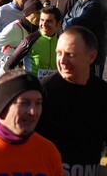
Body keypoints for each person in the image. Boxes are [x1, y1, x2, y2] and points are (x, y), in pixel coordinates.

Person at [35, 26, 107, 174]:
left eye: (70, 55)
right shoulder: (41, 91)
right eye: (59, 53)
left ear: (91, 57)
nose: (62, 61)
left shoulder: (102, 93)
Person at [0, 0, 43, 78]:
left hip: (27, 75)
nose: (40, 16)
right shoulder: (14, 28)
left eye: (41, 12)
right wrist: (9, 59)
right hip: (8, 75)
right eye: (37, 13)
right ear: (27, 14)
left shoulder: (39, 30)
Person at [63, 0, 107, 77]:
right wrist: (69, 24)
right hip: (81, 52)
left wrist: (69, 24)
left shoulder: (97, 4)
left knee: (93, 87)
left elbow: (79, 23)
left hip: (94, 55)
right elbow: (66, 19)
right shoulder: (80, 2)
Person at [5, 6, 62, 78]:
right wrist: (21, 83)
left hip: (54, 86)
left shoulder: (62, 40)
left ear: (58, 23)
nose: (44, 24)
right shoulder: (30, 40)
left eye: (49, 21)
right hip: (34, 87)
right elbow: (8, 66)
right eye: (42, 20)